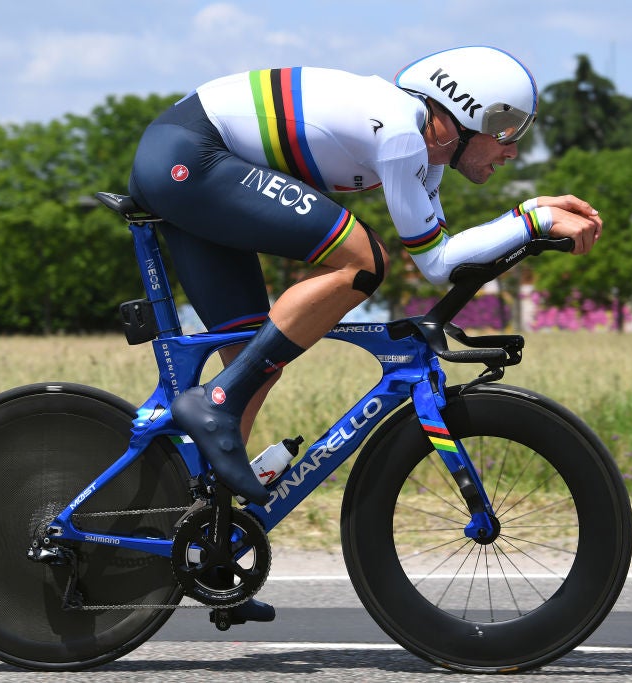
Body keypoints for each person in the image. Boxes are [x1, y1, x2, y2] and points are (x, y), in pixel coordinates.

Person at [128, 46, 602, 622]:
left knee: (250, 359)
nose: (513, 146)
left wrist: (530, 216)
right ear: (459, 111)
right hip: (190, 157)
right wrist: (532, 219)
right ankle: (216, 403)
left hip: (192, 157)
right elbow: (432, 262)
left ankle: (204, 544)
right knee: (363, 263)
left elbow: (445, 258)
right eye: (505, 126)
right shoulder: (402, 134)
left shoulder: (424, 157)